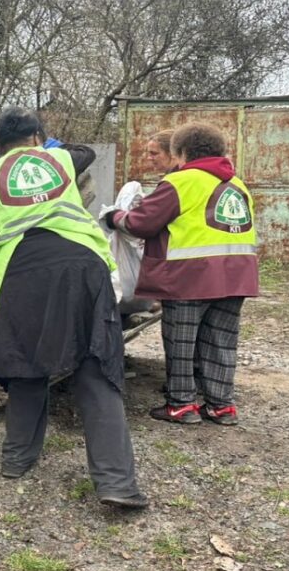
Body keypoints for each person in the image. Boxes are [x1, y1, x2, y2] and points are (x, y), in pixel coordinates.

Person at [0, 107, 148, 510]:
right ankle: (116, 483)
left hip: (24, 275)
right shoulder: (62, 158)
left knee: (27, 364)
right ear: (36, 137)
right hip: (83, 269)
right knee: (95, 367)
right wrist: (47, 147)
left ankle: (16, 460)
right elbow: (84, 152)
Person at [105, 122, 258, 426]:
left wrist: (114, 216)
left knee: (182, 342)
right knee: (221, 342)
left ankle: (182, 404)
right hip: (237, 276)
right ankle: (221, 406)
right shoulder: (237, 185)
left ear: (182, 152)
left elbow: (141, 223)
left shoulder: (181, 182)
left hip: (190, 277)